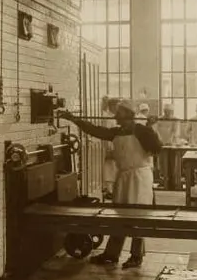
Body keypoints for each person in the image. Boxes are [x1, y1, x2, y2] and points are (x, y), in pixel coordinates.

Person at [57, 99, 161, 269]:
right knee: (119, 217)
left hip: (140, 177)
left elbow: (157, 148)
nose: (115, 117)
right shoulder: (116, 132)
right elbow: (95, 130)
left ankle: (136, 256)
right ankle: (112, 254)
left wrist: (151, 128)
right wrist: (74, 119)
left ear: (128, 114)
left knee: (138, 217)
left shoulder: (142, 130)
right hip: (124, 176)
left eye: (119, 113)